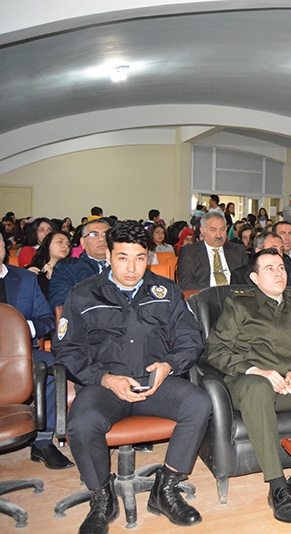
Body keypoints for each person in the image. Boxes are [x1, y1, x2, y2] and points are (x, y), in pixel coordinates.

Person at [52, 220, 212, 533]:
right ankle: (102, 496)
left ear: (149, 257)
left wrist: (169, 365)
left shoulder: (166, 291)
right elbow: (67, 351)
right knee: (82, 422)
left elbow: (190, 339)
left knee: (199, 404)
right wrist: (105, 378)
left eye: (140, 257)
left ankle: (164, 488)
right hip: (106, 387)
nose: (131, 267)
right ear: (109, 256)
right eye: (123, 257)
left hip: (154, 383)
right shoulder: (83, 294)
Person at [204, 248, 291, 523]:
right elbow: (216, 350)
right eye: (269, 268)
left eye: (281, 267)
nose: (278, 273)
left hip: (289, 384)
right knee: (258, 388)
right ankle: (277, 486)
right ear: (255, 278)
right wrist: (257, 371)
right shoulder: (239, 304)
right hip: (248, 383)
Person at [0, 237, 74, 470]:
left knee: (54, 367)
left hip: (22, 354)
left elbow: (45, 320)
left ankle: (43, 441)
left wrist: (24, 328)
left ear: (4, 248)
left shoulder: (24, 278)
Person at [49, 218, 111, 312]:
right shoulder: (67, 267)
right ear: (82, 242)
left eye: (106, 234)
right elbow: (61, 303)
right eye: (94, 234)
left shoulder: (125, 265)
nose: (102, 239)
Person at [176, 212, 248, 290]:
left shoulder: (238, 250)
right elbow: (185, 284)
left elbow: (247, 281)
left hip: (234, 298)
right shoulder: (189, 252)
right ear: (203, 231)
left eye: (222, 229)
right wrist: (212, 294)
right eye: (213, 230)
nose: (219, 235)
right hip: (203, 297)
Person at [26, 230, 72, 299]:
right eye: (60, 242)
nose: (65, 246)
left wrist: (54, 278)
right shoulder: (31, 270)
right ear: (47, 245)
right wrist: (25, 279)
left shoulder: (71, 271)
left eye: (68, 244)